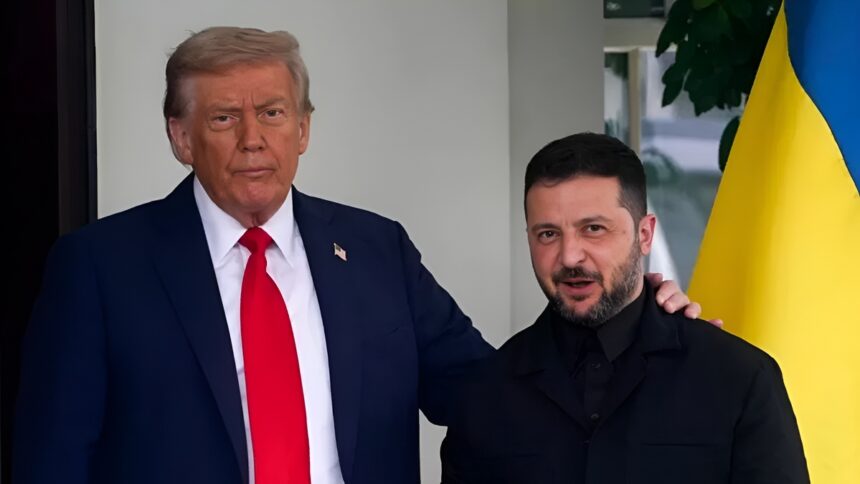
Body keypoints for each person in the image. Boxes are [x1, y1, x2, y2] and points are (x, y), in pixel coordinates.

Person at [13, 29, 701, 484]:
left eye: (273, 113)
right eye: (224, 118)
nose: (253, 139)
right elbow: (52, 461)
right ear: (181, 137)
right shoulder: (99, 269)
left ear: (304, 128)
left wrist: (639, 329)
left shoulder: (376, 250)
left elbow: (497, 393)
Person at [441, 133, 809, 484]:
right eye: (548, 234)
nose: (569, 256)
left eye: (593, 229)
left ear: (644, 235)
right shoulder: (485, 392)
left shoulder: (739, 378)